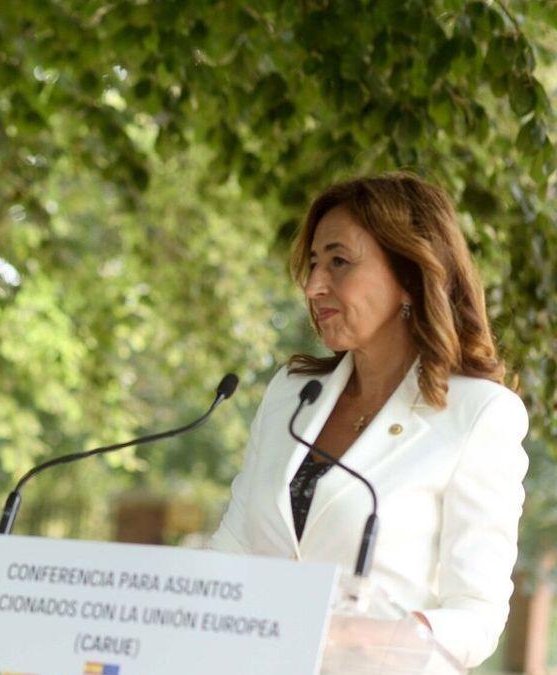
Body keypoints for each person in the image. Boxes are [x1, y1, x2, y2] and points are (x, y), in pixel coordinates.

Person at [209, 173, 529, 668]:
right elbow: (232, 547)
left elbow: (477, 615)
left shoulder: (480, 415)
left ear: (409, 275)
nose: (315, 285)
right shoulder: (291, 393)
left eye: (339, 262)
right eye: (314, 264)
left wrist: (383, 634)